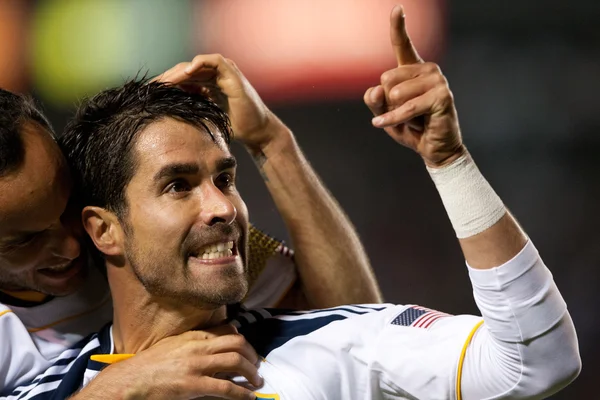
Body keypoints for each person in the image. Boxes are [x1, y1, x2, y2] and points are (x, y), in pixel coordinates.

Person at [4, 6, 581, 400]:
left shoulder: (333, 345)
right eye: (178, 185)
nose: (223, 208)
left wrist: (449, 163)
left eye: (225, 179)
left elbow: (538, 364)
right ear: (106, 229)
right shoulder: (46, 383)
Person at [0, 50, 381, 396]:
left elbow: (358, 340)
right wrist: (122, 386)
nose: (71, 244)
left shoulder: (129, 225)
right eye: (25, 241)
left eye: (68, 205)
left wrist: (270, 142)